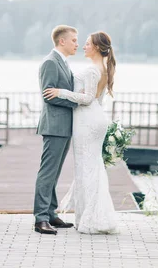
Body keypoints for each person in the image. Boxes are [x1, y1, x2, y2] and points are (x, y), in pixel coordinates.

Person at [43, 31, 118, 234]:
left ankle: (90, 218)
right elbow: (97, 100)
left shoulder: (93, 69)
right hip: (96, 118)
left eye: (86, 43)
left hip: (87, 121)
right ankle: (90, 215)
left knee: (86, 168)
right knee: (92, 166)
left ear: (96, 47)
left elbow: (88, 99)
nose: (83, 46)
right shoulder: (103, 67)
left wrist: (61, 92)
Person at [33, 25, 79, 235]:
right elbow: (48, 95)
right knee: (47, 172)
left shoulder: (62, 62)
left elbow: (60, 91)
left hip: (63, 126)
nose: (76, 44)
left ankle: (50, 214)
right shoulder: (50, 62)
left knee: (55, 172)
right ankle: (40, 218)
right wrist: (77, 102)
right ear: (62, 41)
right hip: (54, 126)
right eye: (74, 40)